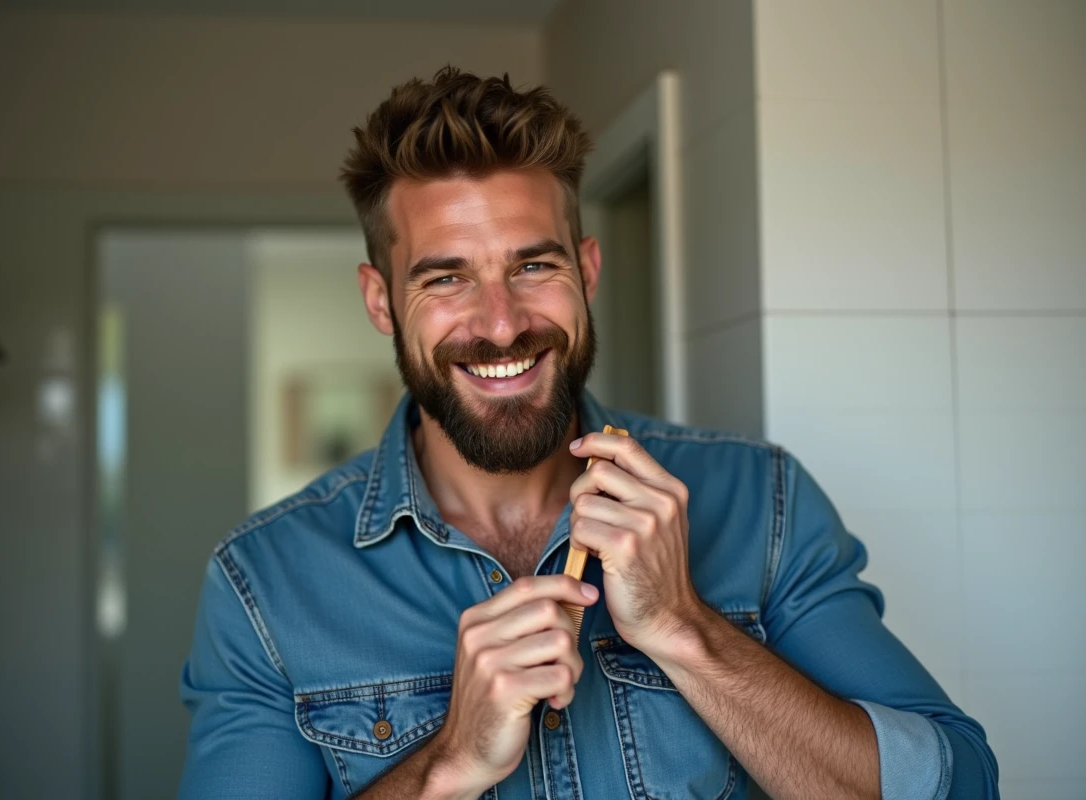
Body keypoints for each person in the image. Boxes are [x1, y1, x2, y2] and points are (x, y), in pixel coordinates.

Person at [177, 67, 998, 800]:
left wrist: (687, 630)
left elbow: (958, 786)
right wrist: (449, 765)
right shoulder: (266, 583)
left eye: (534, 266)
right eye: (447, 278)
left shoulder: (761, 500)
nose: (501, 325)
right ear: (380, 301)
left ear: (587, 270)